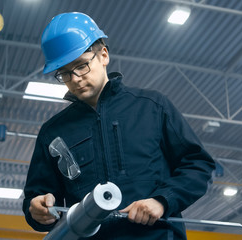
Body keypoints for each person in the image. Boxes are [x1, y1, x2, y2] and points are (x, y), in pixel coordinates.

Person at [22, 12, 215, 240]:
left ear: (103, 55)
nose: (74, 79)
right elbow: (37, 199)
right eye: (64, 73)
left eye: (81, 66)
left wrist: (162, 201)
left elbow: (198, 165)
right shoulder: (53, 133)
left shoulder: (152, 108)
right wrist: (37, 209)